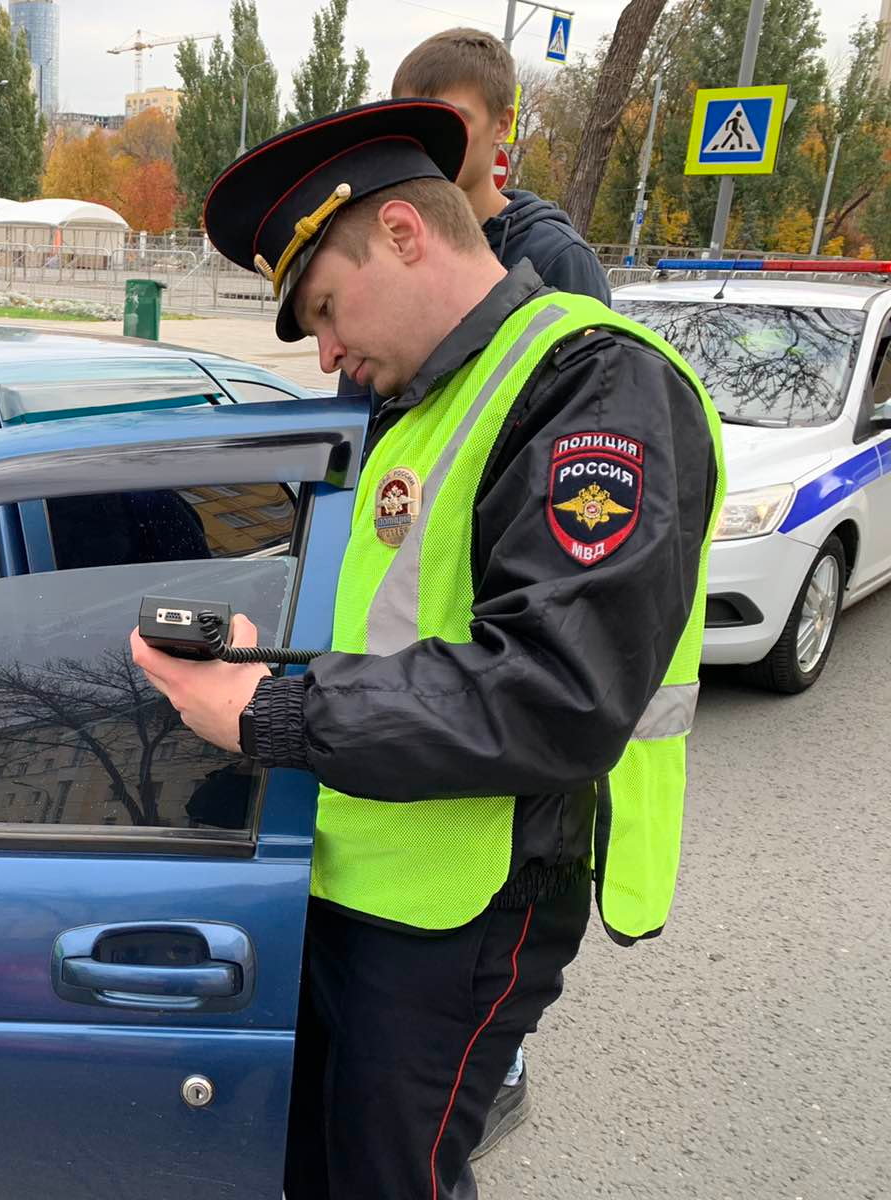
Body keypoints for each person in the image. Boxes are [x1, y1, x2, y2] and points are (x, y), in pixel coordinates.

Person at [131, 97, 722, 1199]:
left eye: (323, 307)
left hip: (472, 904)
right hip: (373, 864)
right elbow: (397, 624)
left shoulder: (593, 385)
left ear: (403, 235)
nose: (325, 352)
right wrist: (269, 661)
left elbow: (557, 687)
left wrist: (272, 713)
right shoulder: (420, 395)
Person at [365, 26, 612, 1155]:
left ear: (501, 130)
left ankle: (496, 1063)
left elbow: (552, 648)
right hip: (421, 734)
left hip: (493, 772)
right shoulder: (429, 270)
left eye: (451, 127)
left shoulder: (548, 279)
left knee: (420, 1128)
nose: (430, 146)